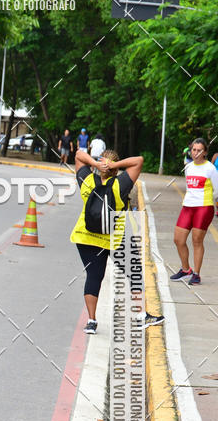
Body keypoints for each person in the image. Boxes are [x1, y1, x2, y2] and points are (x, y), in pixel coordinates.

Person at [70, 148, 163, 333]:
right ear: (114, 168)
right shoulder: (120, 185)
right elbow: (139, 159)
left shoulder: (88, 181)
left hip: (86, 236)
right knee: (134, 273)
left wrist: (95, 164)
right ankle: (141, 316)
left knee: (94, 276)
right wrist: (115, 165)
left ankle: (91, 321)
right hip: (116, 238)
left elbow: (79, 154)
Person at [170, 137, 218, 285]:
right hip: (187, 206)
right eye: (193, 150)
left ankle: (196, 274)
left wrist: (209, 201)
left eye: (199, 150)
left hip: (204, 207)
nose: (195, 153)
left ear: (205, 152)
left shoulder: (210, 168)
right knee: (178, 239)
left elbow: (217, 190)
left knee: (197, 240)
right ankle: (186, 270)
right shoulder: (188, 167)